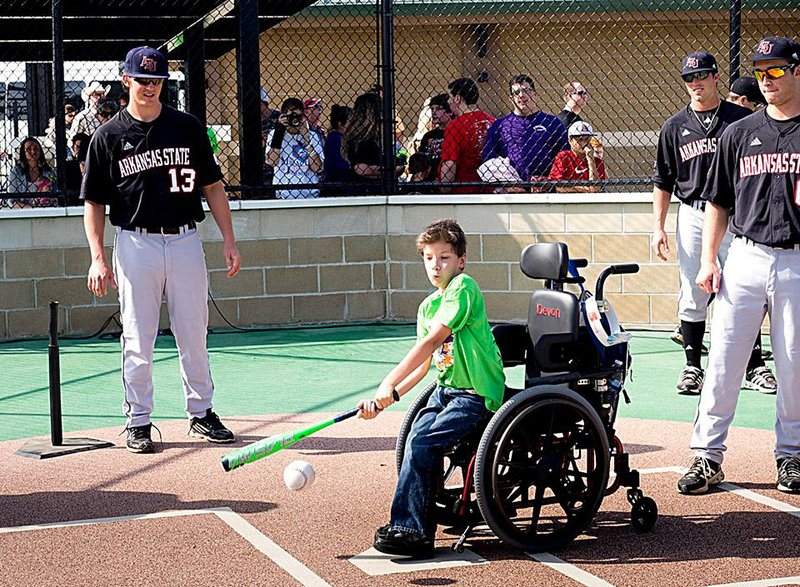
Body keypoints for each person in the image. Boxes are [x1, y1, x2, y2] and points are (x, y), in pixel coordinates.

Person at [81, 46, 242, 454]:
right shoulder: (109, 135)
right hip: (136, 242)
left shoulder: (187, 127)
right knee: (138, 334)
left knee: (194, 330)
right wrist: (98, 256)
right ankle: (138, 420)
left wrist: (228, 238)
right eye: (142, 80)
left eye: (156, 81)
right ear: (126, 81)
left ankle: (201, 413)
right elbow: (94, 203)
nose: (150, 87)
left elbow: (214, 187)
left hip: (186, 237)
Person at [678, 36, 800, 495]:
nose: (766, 79)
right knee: (725, 362)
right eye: (759, 71)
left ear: (797, 71)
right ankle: (706, 456)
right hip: (745, 256)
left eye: (775, 70)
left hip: (796, 259)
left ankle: (791, 455)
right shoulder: (739, 133)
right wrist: (709, 258)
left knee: (794, 366)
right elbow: (718, 202)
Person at [359, 219, 505, 558]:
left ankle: (412, 531)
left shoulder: (464, 288)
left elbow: (432, 341)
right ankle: (413, 524)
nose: (435, 265)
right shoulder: (427, 306)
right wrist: (387, 399)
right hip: (445, 391)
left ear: (461, 261)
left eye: (444, 257)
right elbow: (425, 367)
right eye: (428, 258)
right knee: (415, 438)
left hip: (476, 394)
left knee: (424, 442)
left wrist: (388, 381)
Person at [652, 50, 776, 396]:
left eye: (701, 75)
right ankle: (692, 365)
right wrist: (658, 227)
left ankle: (754, 367)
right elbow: (663, 181)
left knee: (741, 287)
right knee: (693, 289)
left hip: (737, 213)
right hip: (693, 212)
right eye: (689, 78)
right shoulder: (674, 126)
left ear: (716, 77)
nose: (695, 83)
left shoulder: (739, 118)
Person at [482, 75, 567, 191]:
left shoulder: (552, 122)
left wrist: (551, 181)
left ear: (535, 94)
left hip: (548, 192)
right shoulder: (500, 125)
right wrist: (507, 186)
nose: (522, 95)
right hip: (513, 195)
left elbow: (565, 156)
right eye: (517, 92)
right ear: (511, 98)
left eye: (526, 90)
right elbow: (489, 160)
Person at [439, 77, 495, 193]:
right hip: (490, 188)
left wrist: (444, 190)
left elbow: (450, 164)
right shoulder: (492, 121)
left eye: (450, 97)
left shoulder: (455, 126)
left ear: (457, 98)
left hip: (464, 190)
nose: (448, 102)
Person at [342, 92, 404, 195]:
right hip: (366, 190)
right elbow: (362, 169)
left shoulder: (377, 138)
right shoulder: (362, 141)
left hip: (375, 188)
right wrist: (390, 170)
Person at [266, 97, 324, 199]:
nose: (294, 120)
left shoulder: (312, 135)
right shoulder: (274, 134)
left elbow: (317, 168)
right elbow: (272, 161)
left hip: (309, 194)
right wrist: (279, 131)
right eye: (290, 116)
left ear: (303, 117)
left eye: (297, 116)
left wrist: (307, 140)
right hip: (284, 194)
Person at [548, 121, 606, 192]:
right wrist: (585, 189)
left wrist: (591, 160)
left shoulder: (597, 161)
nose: (584, 143)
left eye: (587, 139)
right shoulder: (563, 157)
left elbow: (595, 189)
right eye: (580, 139)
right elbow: (558, 187)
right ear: (570, 141)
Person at [5, 137, 58, 207]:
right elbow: (12, 201)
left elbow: (57, 194)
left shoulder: (48, 171)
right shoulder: (16, 171)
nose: (33, 152)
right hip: (24, 212)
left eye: (36, 148)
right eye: (29, 149)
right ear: (24, 152)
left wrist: (51, 200)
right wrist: (30, 207)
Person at [417, 93, 451, 182]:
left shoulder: (454, 133)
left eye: (439, 109)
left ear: (450, 111)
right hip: (429, 179)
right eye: (432, 109)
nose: (434, 112)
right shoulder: (429, 136)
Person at [322, 104, 351, 197]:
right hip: (336, 186)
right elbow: (339, 164)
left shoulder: (340, 138)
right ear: (340, 124)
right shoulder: (335, 139)